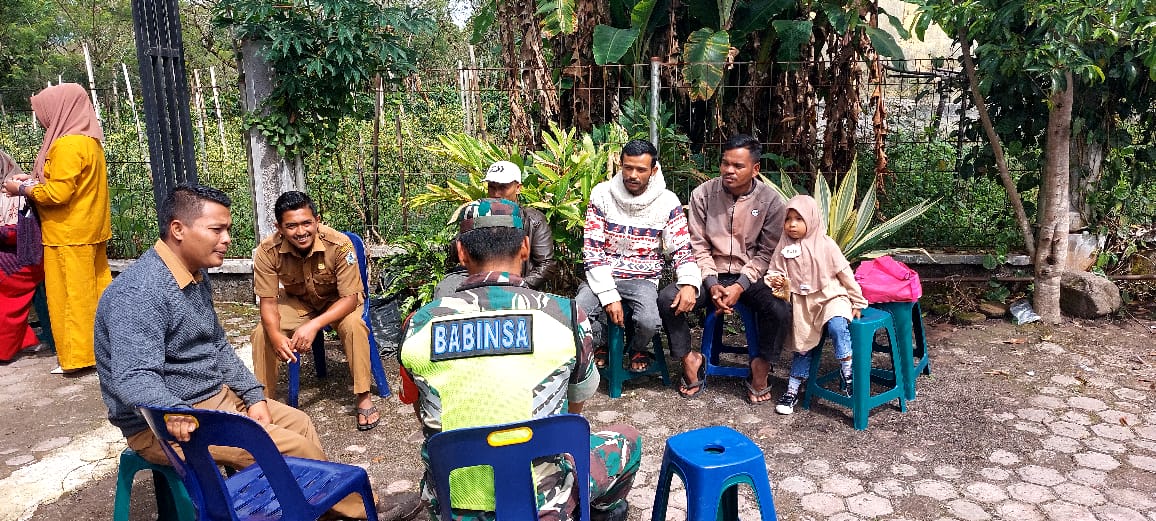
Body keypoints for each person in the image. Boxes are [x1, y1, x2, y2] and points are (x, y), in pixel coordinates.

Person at [93, 184, 369, 518]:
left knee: (300, 422)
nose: (227, 239)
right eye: (216, 230)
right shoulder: (139, 292)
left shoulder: (195, 275)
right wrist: (175, 412)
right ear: (178, 229)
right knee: (294, 448)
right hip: (166, 422)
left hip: (213, 396)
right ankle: (356, 511)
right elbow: (134, 377)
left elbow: (218, 346)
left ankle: (312, 509)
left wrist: (253, 396)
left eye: (228, 229)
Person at [398, 198, 640, 521]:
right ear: (525, 248)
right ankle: (603, 513)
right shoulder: (567, 317)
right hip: (542, 506)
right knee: (626, 438)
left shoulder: (418, 326)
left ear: (461, 252)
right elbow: (572, 410)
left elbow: (424, 413)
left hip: (452, 506)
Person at [657, 134, 791, 402]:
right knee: (667, 298)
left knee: (780, 307)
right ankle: (689, 359)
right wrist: (710, 283)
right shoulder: (703, 195)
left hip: (751, 277)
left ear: (755, 169)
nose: (729, 170)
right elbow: (698, 245)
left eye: (738, 166)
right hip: (709, 273)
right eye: (725, 163)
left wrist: (740, 285)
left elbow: (766, 253)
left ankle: (761, 364)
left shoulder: (771, 202)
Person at [1, 83, 111, 374]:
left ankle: (78, 358)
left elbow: (57, 194)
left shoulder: (66, 145)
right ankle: (102, 351)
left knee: (71, 299)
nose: (41, 119)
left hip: (67, 235)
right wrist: (33, 182)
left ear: (59, 109)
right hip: (90, 229)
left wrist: (21, 189)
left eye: (42, 111)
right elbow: (69, 185)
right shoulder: (89, 142)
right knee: (95, 295)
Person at [250, 191, 380, 431]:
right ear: (279, 227)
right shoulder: (267, 251)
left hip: (338, 302)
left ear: (317, 221)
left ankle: (363, 396)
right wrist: (277, 336)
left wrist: (313, 325)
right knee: (262, 333)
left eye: (306, 223)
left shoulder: (339, 244)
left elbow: (350, 299)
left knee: (354, 326)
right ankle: (263, 401)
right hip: (299, 302)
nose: (301, 232)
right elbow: (267, 303)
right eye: (291, 226)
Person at [576, 139, 699, 373]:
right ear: (620, 165)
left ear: (654, 170)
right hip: (603, 273)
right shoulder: (601, 194)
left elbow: (682, 248)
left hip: (642, 279)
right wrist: (609, 295)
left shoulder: (667, 201)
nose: (633, 175)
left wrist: (690, 283)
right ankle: (602, 342)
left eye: (641, 169)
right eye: (628, 167)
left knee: (649, 321)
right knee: (578, 310)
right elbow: (592, 250)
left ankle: (637, 347)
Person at [764, 195, 868, 415]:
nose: (792, 224)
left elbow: (845, 273)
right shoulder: (784, 245)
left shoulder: (826, 244)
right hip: (802, 303)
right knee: (802, 346)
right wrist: (775, 280)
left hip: (830, 296)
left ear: (811, 219)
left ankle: (848, 371)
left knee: (838, 325)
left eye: (798, 219)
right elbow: (774, 271)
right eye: (788, 219)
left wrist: (857, 301)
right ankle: (793, 389)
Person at [433, 160, 557, 297]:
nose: (496, 194)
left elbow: (546, 264)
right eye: (492, 187)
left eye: (503, 188)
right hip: (476, 286)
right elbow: (456, 252)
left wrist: (520, 285)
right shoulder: (478, 213)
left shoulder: (533, 220)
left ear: (518, 188)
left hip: (518, 289)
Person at [0, 150, 45, 361]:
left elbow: (22, 235)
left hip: (26, 257)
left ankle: (5, 347)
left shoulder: (15, 192)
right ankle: (16, 340)